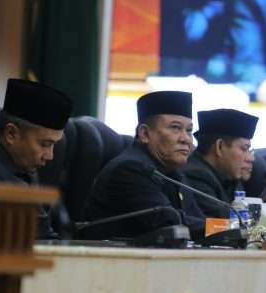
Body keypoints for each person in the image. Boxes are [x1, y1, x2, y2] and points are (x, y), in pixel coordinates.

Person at [0, 78, 73, 239]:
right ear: (11, 134)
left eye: (53, 145)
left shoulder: (22, 165)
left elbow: (43, 236)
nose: (50, 156)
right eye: (45, 144)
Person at [84, 91, 206, 240]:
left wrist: (228, 227)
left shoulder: (173, 174)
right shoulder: (129, 169)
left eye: (189, 130)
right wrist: (227, 226)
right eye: (175, 128)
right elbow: (169, 222)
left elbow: (197, 219)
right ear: (145, 134)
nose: (186, 139)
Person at [184, 109, 259, 218]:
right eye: (244, 149)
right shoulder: (196, 176)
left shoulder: (230, 176)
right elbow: (226, 222)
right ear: (219, 147)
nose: (251, 158)